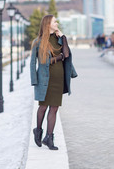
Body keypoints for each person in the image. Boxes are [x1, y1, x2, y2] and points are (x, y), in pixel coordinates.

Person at [30, 15, 78, 150]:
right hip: (45, 79)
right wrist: (34, 80)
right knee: (44, 107)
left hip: (59, 78)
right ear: (48, 24)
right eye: (54, 21)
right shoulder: (38, 41)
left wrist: (63, 38)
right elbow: (36, 62)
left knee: (55, 108)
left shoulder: (59, 39)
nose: (57, 23)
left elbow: (67, 55)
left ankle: (49, 138)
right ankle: (38, 130)